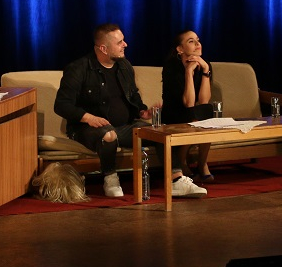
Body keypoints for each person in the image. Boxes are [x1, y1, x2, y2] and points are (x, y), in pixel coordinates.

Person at [52, 23, 206, 198]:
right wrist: (88, 118)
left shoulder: (124, 66)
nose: (125, 45)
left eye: (123, 40)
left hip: (123, 127)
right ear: (103, 48)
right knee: (108, 135)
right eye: (119, 42)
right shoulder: (79, 68)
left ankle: (176, 180)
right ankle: (110, 178)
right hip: (87, 129)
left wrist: (142, 112)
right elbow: (61, 105)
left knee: (160, 132)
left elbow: (133, 96)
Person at [161, 29, 215, 184]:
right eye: (191, 41)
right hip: (173, 114)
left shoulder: (205, 64)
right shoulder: (171, 66)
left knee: (207, 116)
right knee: (194, 118)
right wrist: (188, 72)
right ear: (180, 49)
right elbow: (188, 103)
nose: (198, 44)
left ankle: (202, 164)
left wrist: (205, 71)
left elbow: (204, 100)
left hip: (192, 113)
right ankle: (182, 163)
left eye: (198, 40)